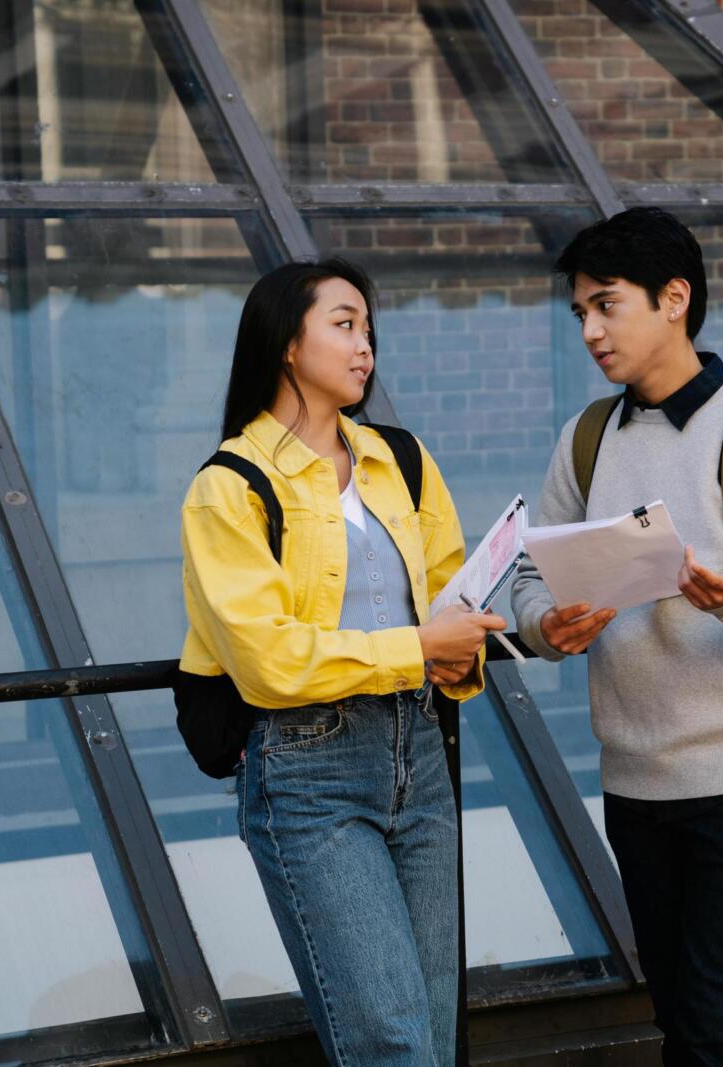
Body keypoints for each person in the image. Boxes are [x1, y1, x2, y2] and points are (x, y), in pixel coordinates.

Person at [511, 208, 723, 1065]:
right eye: (579, 311)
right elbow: (526, 578)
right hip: (636, 783)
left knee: (719, 1033)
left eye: (605, 306)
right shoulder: (585, 439)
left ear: (674, 299)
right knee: (682, 1027)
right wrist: (548, 625)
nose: (588, 330)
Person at [177, 258, 505, 1066]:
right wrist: (421, 647)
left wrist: (491, 633)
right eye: (345, 324)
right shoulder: (231, 486)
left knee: (431, 1034)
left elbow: (449, 602)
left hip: (419, 756)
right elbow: (268, 662)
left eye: (369, 328)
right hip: (306, 769)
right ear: (288, 344)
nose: (366, 346)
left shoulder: (402, 459)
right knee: (390, 1043)